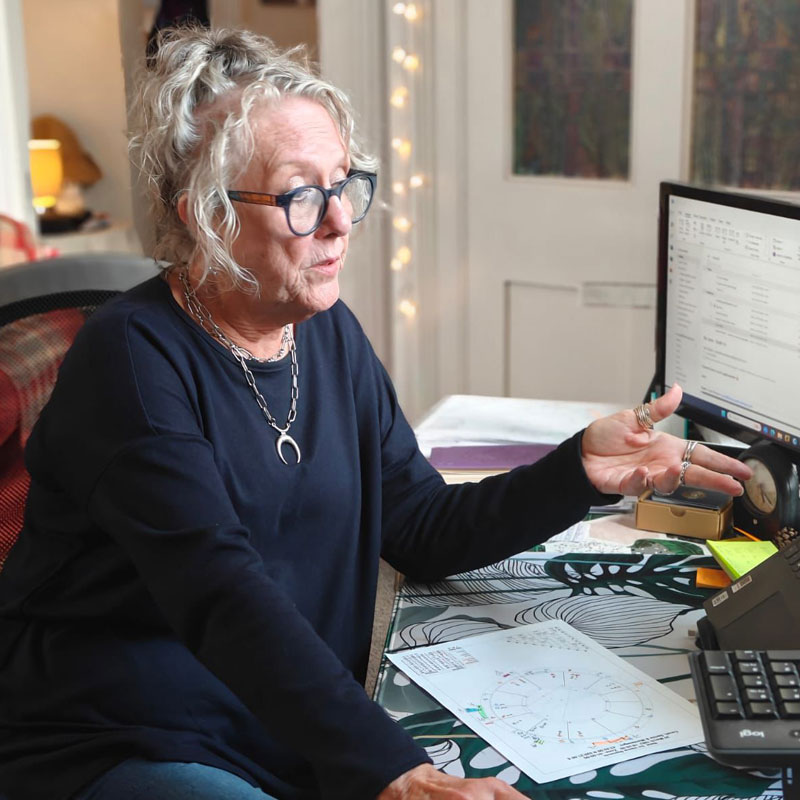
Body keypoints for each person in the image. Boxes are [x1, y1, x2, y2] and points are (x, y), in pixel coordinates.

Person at [0, 27, 751, 800]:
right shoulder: (131, 362)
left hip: (280, 728)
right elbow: (222, 594)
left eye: (343, 185)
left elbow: (421, 527)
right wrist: (394, 771)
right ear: (207, 216)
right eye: (299, 195)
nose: (338, 222)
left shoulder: (323, 332)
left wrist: (577, 471)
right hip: (123, 736)